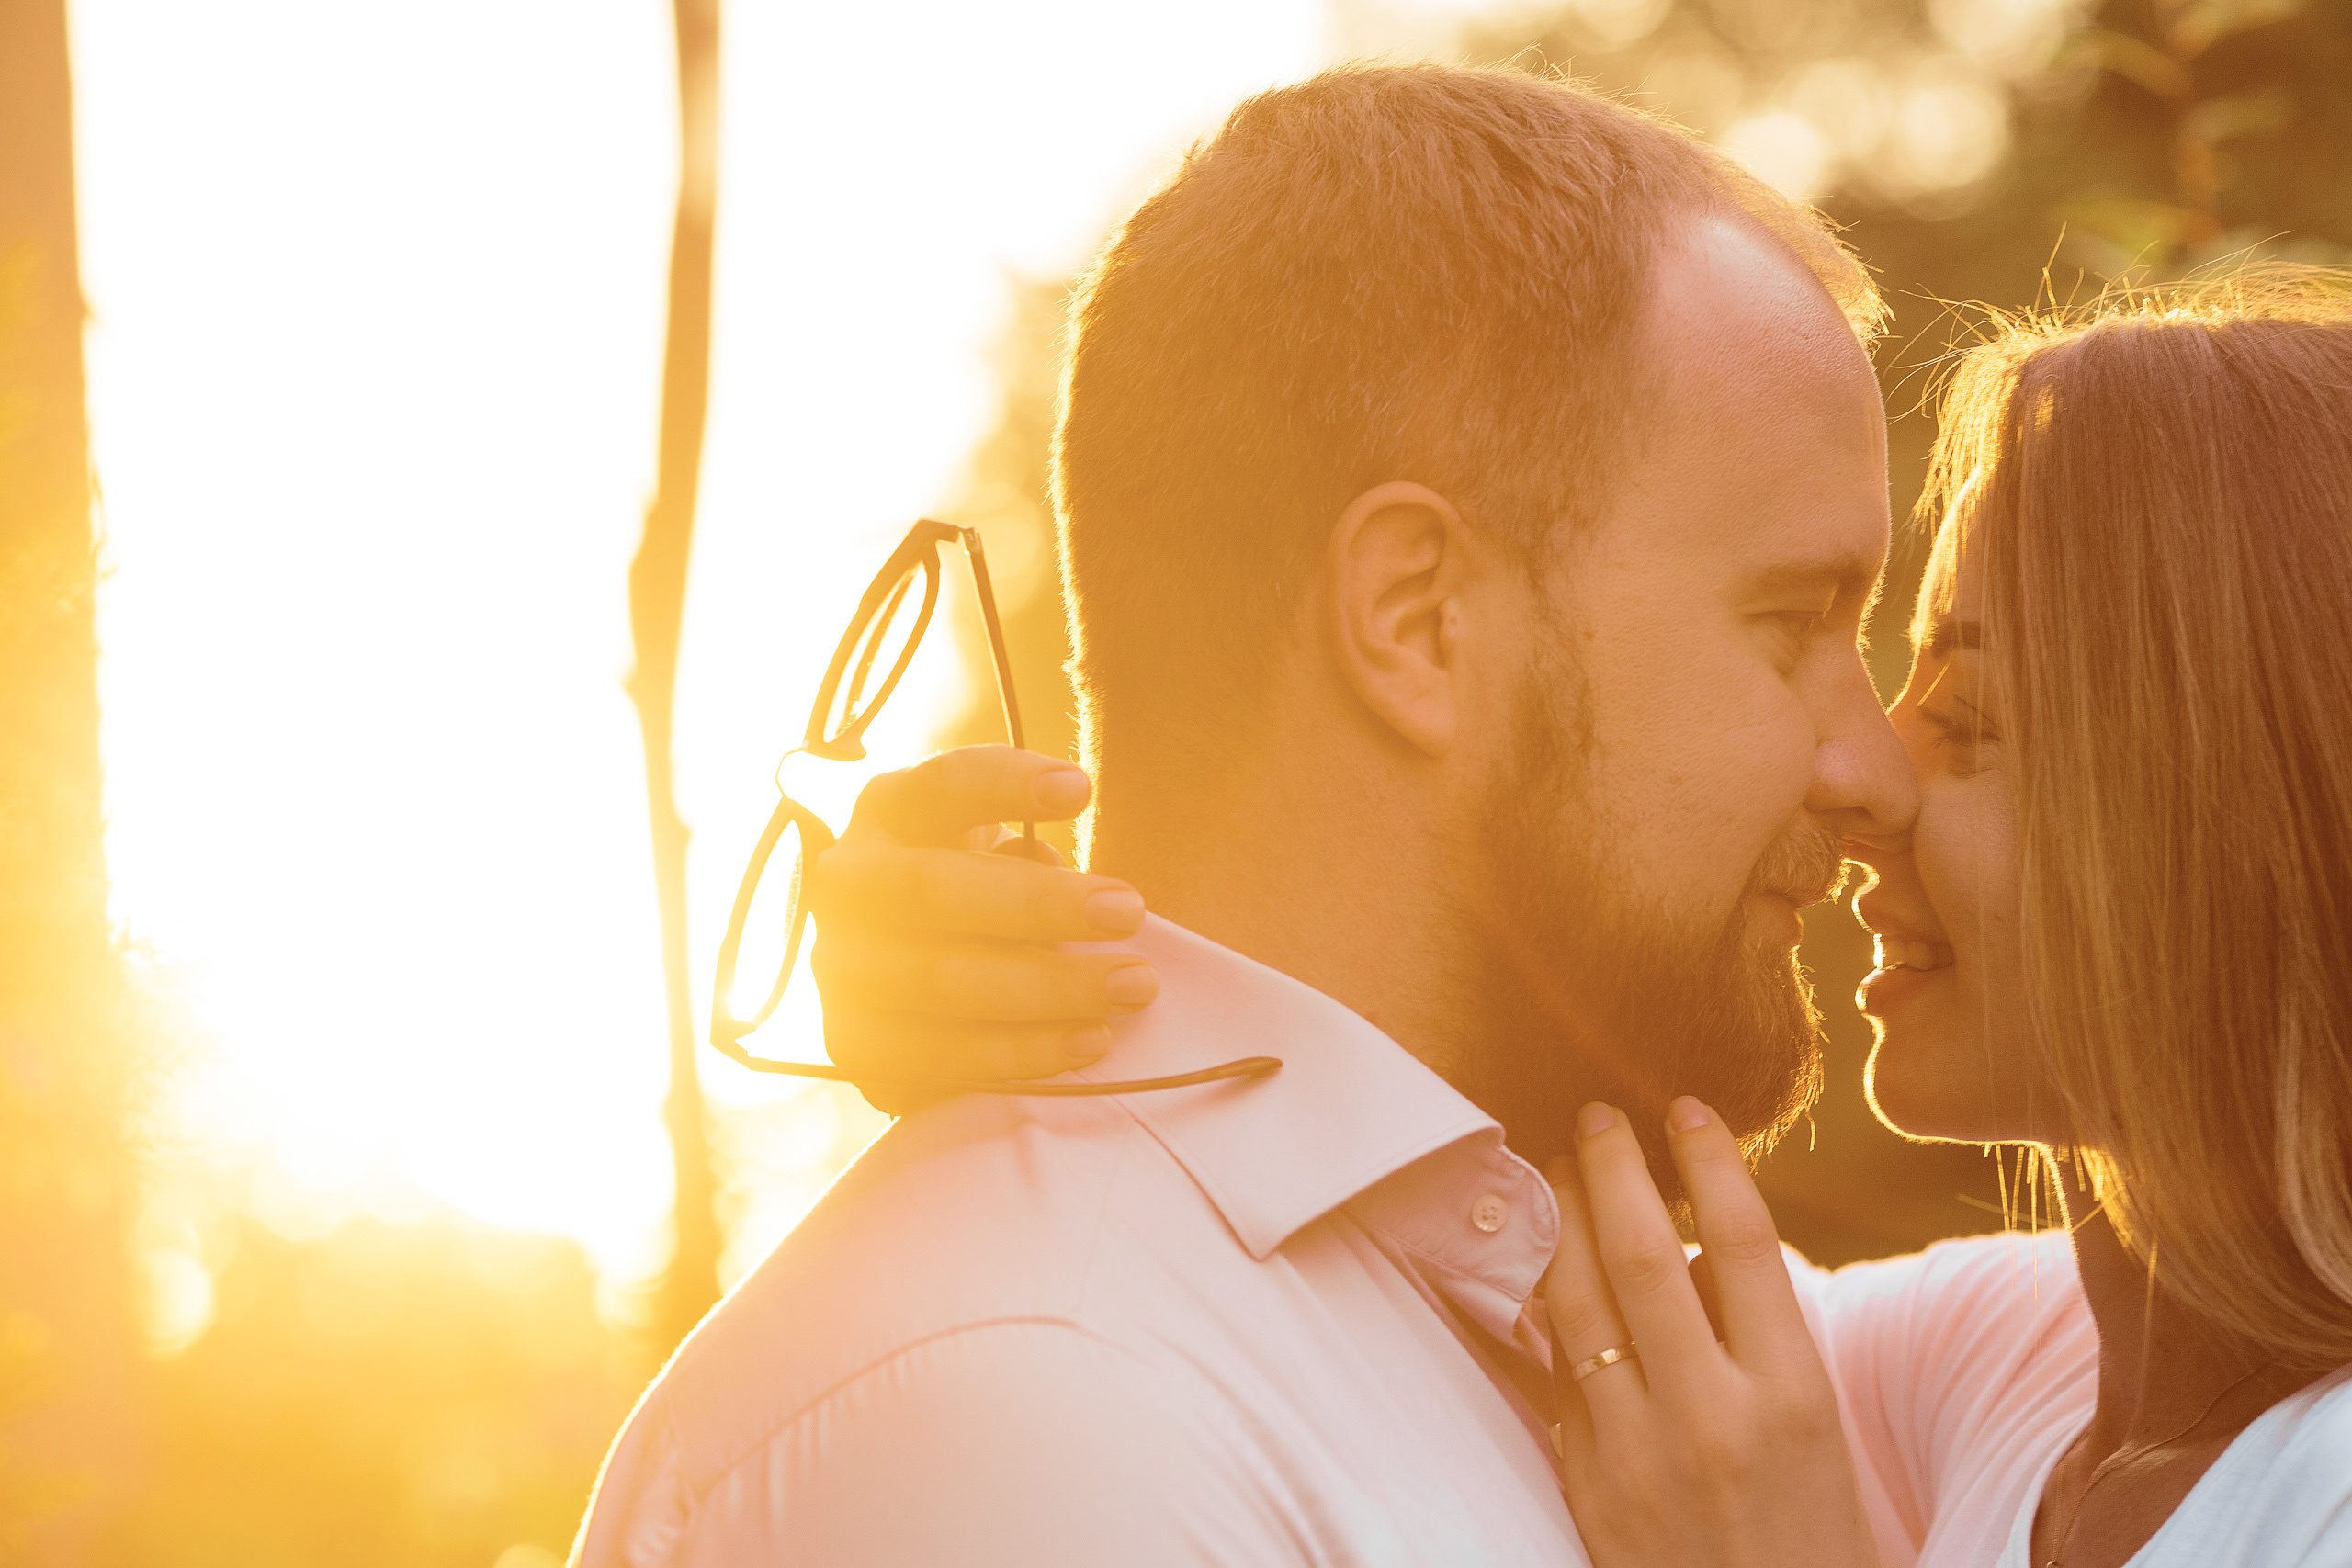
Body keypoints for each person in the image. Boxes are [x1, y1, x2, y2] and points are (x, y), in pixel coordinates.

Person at [573, 60, 1911, 1567]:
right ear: (1419, 623)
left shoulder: (1653, 1349)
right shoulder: (1025, 1417)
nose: (1876, 770)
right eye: (1793, 619)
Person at [826, 277, 2352, 1567]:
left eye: (1973, 717)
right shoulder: (2023, 1383)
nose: (1872, 771)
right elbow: (1543, 1295)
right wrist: (1069, 991)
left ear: (2236, 809)